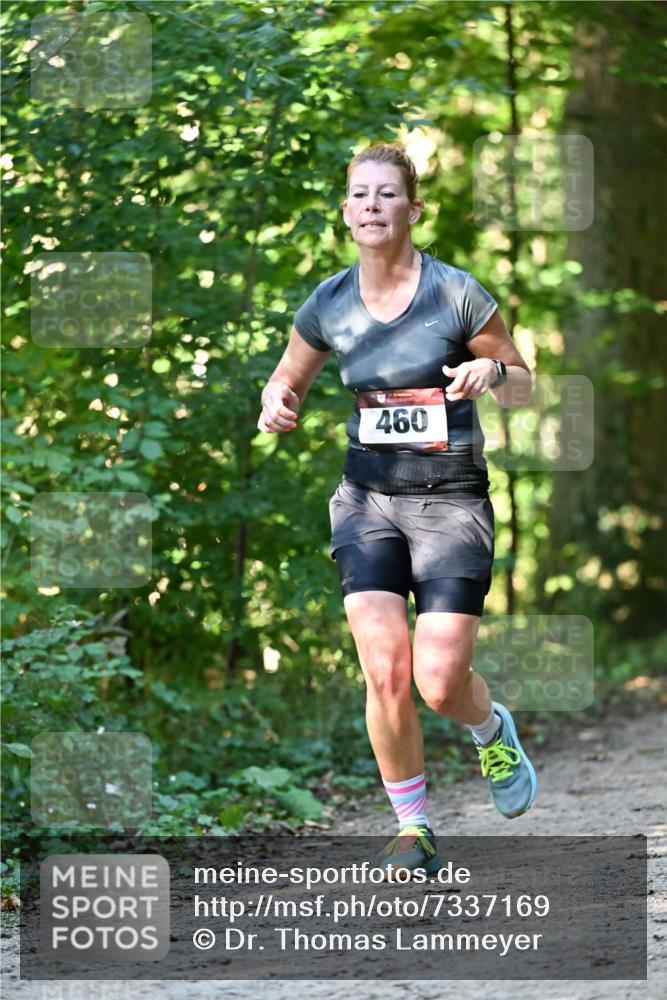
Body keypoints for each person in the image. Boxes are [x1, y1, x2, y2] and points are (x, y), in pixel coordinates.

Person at [258, 142, 537, 876]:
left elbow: (522, 383)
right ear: (347, 212)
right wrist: (276, 402)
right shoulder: (329, 301)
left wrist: (493, 369)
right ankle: (412, 829)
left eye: (387, 194)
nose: (372, 205)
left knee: (438, 681)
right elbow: (286, 377)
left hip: (450, 504)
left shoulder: (454, 293)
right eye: (360, 194)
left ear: (413, 209)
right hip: (366, 501)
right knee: (384, 669)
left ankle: (489, 726)